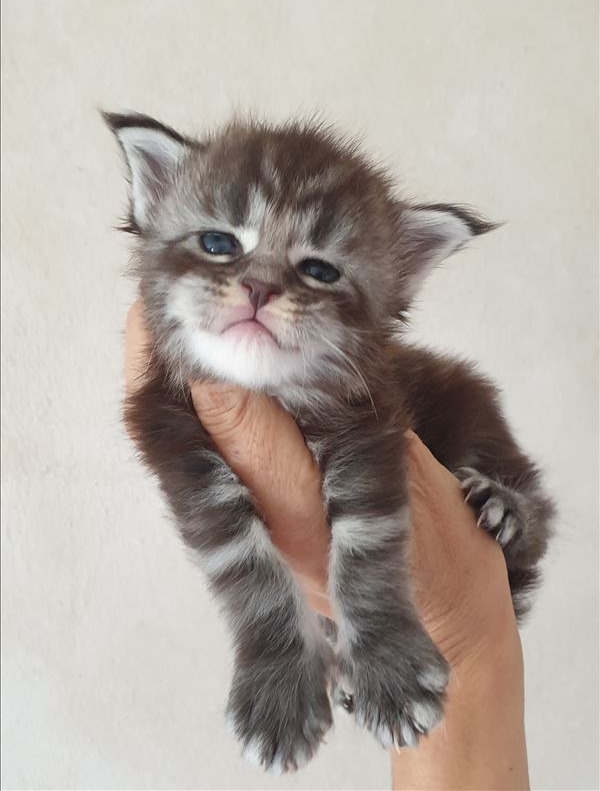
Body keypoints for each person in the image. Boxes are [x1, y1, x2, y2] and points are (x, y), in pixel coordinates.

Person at [124, 300, 529, 790]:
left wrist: (457, 631)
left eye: (317, 270)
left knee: (459, 405)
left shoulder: (351, 375)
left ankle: (507, 511)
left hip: (457, 473)